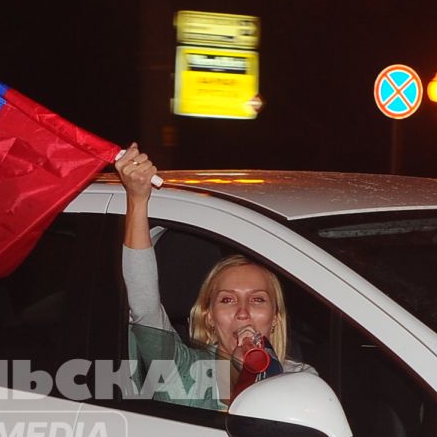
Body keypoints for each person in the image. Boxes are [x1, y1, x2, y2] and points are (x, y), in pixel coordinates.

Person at [116, 145, 310, 409]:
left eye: (258, 300)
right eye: (228, 300)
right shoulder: (183, 372)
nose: (243, 313)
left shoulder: (301, 381)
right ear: (209, 316)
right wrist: (137, 201)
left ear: (275, 318)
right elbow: (144, 307)